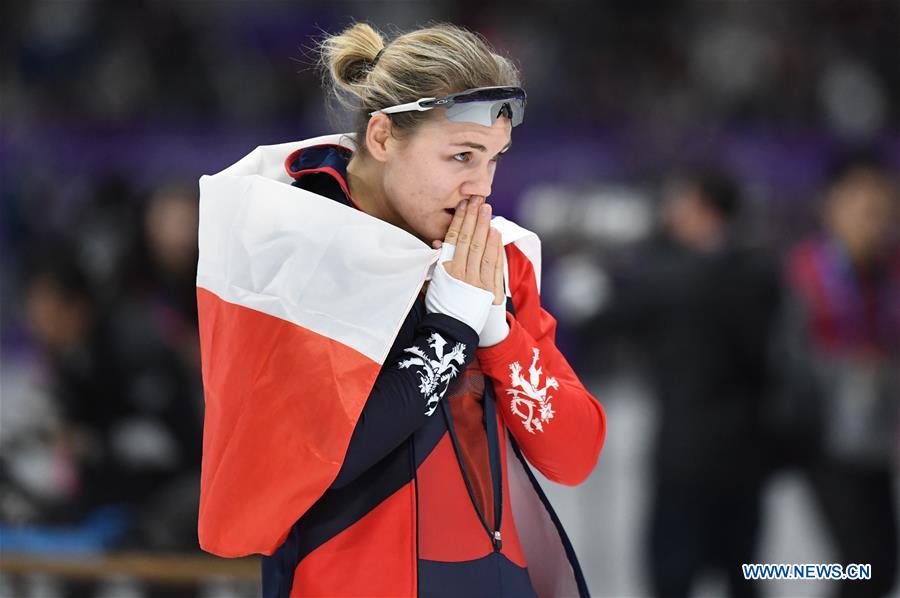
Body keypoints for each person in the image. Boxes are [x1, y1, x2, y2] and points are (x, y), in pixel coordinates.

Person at [195, 23, 607, 597]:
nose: (479, 188)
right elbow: (312, 465)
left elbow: (573, 454)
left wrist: (498, 333)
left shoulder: (494, 260)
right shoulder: (295, 244)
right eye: (461, 155)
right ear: (384, 136)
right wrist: (450, 329)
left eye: (493, 159)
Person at [581, 168, 781, 598]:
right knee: (744, 574)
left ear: (701, 207)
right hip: (747, 449)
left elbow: (598, 322)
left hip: (684, 454)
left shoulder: (668, 278)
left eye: (680, 201)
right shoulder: (762, 274)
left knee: (672, 575)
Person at [776, 152, 899, 598]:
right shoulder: (806, 271)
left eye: (883, 204)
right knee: (861, 563)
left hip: (877, 437)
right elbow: (785, 356)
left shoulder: (888, 270)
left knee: (879, 565)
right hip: (825, 439)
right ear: (833, 204)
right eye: (863, 202)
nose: (876, 214)